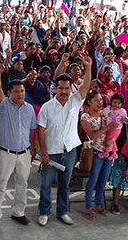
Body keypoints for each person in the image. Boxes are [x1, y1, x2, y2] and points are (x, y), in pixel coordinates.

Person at [37, 56, 92, 227]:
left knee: (65, 184)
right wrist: (44, 153)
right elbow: (41, 131)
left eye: (67, 89)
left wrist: (88, 67)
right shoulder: (47, 107)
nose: (64, 91)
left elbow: (86, 86)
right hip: (51, 151)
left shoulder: (75, 102)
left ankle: (62, 211)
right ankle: (44, 211)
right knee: (46, 183)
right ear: (56, 89)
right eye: (61, 88)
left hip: (69, 150)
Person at [0, 64, 37, 230]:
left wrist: (32, 149)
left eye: (22, 91)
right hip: (6, 153)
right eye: (16, 91)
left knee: (22, 184)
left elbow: (32, 130)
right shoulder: (4, 106)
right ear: (9, 93)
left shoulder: (29, 109)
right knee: (0, 184)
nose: (20, 94)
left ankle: (19, 212)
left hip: (24, 153)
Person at [80, 90, 119, 220]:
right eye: (96, 100)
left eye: (101, 100)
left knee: (103, 180)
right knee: (93, 179)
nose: (99, 103)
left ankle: (98, 204)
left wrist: (112, 139)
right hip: (95, 151)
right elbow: (91, 135)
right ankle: (87, 206)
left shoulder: (104, 113)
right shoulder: (85, 117)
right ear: (89, 102)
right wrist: (107, 127)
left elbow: (115, 129)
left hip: (108, 151)